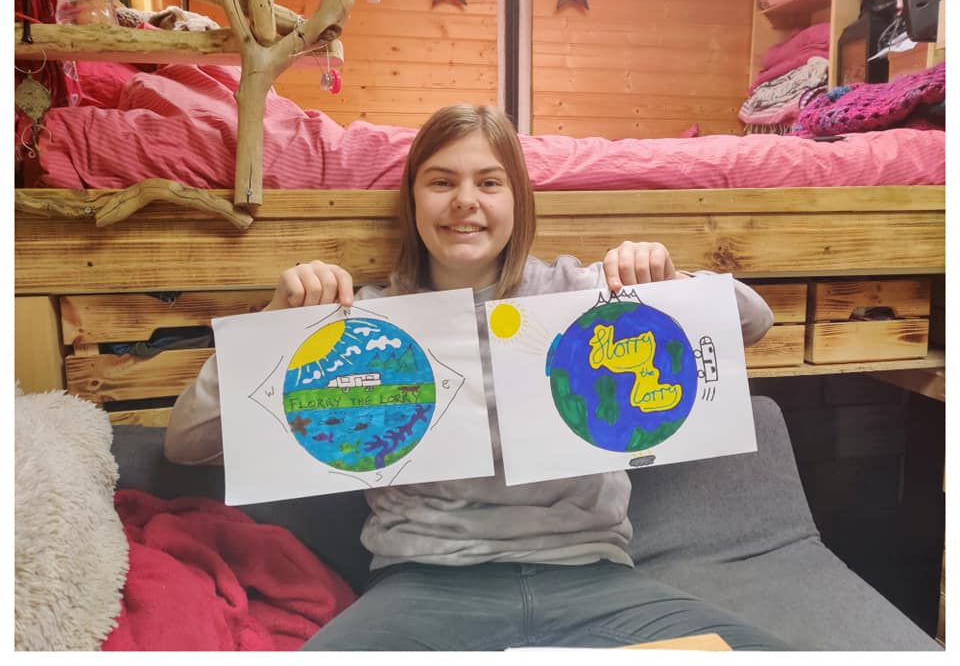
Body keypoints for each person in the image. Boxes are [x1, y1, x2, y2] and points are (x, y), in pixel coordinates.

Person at [165, 104, 788, 651]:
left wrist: (671, 285)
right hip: (422, 583)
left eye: (489, 182)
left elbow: (754, 321)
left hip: (590, 575)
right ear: (414, 200)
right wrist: (275, 327)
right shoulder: (363, 323)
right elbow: (186, 443)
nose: (465, 200)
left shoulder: (582, 294)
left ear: (517, 201)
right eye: (442, 182)